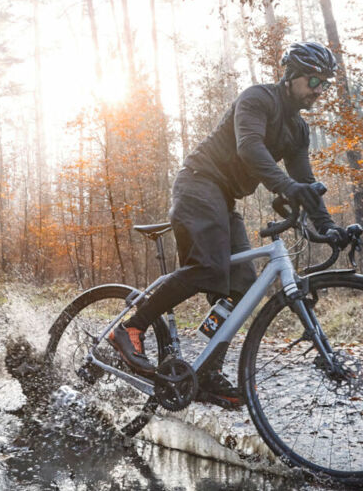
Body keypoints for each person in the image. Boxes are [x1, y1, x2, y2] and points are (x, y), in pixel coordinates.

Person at [108, 42, 344, 407]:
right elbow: (250, 147)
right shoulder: (257, 99)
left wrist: (328, 227)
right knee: (208, 267)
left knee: (243, 286)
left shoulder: (298, 130)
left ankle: (206, 374)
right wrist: (285, 186)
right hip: (199, 182)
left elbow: (304, 182)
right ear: (292, 75)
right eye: (314, 80)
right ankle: (130, 328)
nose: (319, 90)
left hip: (225, 198)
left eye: (325, 84)